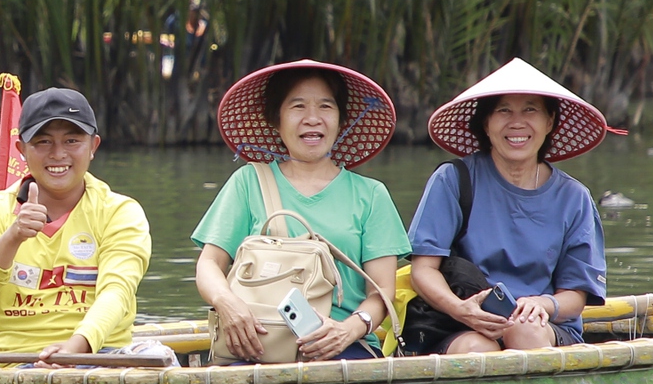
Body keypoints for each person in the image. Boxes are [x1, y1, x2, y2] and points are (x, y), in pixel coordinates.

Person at [193, 61, 407, 363]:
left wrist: (347, 330)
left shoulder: (371, 195)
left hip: (342, 347)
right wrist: (227, 304)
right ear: (276, 121)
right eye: (297, 107)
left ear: (341, 120)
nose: (312, 119)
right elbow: (209, 264)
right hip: (257, 343)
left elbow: (383, 291)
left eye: (325, 107)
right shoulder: (247, 182)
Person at [404, 58, 617, 354]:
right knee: (475, 350)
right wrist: (462, 310)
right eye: (503, 110)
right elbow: (423, 269)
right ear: (486, 123)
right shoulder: (453, 180)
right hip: (462, 323)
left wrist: (543, 304)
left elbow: (576, 295)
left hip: (544, 327)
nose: (517, 123)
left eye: (530, 109)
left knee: (524, 329)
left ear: (549, 122)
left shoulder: (574, 198)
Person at [0, 86, 165, 362]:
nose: (57, 154)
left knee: (160, 360)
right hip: (19, 360)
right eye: (43, 142)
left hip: (104, 355)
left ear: (93, 147)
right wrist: (12, 237)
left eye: (72, 141)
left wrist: (78, 346)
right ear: (21, 149)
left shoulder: (120, 211)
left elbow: (117, 291)